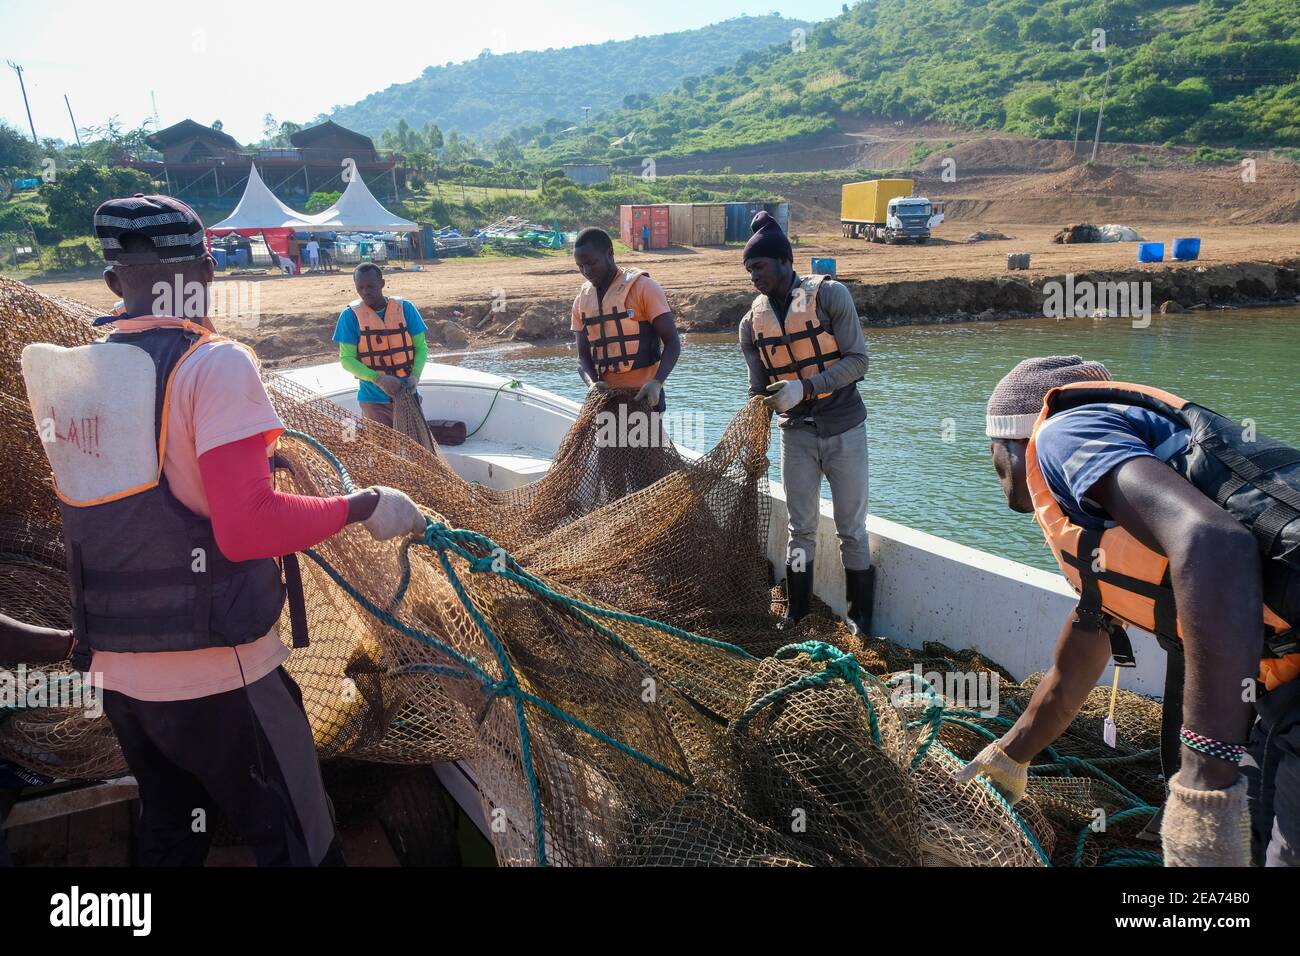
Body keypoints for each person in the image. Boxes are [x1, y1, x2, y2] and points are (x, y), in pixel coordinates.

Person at [20, 193, 428, 867]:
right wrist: (365, 506)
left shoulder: (77, 377)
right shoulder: (214, 365)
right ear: (207, 272)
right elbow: (246, 529)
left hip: (120, 681)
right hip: (222, 676)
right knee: (299, 839)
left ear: (114, 283)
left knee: (171, 835)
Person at [967, 355, 1300, 867]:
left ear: (1011, 437)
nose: (990, 465)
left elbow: (1215, 543)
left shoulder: (1061, 432)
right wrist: (1010, 757)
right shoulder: (1121, 492)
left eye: (989, 447)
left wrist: (1202, 774)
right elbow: (1082, 647)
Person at [738, 211, 873, 634]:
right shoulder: (750, 323)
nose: (753, 276)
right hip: (795, 435)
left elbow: (858, 361)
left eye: (758, 266)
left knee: (851, 530)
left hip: (845, 427)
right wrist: (754, 437)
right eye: (748, 269)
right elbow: (757, 391)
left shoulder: (830, 296)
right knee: (800, 531)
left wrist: (806, 388)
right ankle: (797, 616)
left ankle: (861, 622)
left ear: (784, 261)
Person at [571, 226, 679, 414]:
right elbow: (583, 358)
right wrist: (592, 384)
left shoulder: (644, 288)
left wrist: (657, 382)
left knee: (645, 443)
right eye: (580, 266)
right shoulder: (581, 300)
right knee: (608, 444)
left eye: (592, 263)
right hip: (606, 402)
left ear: (610, 254)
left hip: (646, 399)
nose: (586, 271)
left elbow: (673, 343)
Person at [333, 263, 429, 428]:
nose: (365, 291)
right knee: (383, 453)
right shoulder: (349, 317)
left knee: (418, 451)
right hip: (373, 401)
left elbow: (421, 347)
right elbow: (346, 359)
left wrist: (415, 375)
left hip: (408, 396)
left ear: (382, 283)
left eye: (370, 286)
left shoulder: (406, 309)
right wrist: (378, 379)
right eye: (360, 287)